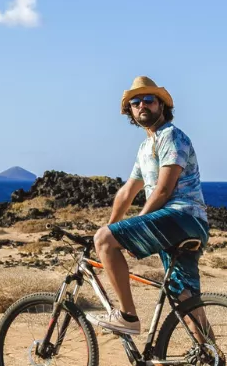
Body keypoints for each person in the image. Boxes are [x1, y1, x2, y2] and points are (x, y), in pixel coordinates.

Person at [87, 76, 210, 336]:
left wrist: (133, 225)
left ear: (161, 106)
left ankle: (128, 317)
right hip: (177, 225)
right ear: (130, 112)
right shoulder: (145, 147)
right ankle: (211, 363)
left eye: (149, 100)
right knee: (184, 299)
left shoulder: (172, 137)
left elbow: (164, 190)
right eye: (135, 102)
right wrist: (113, 224)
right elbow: (127, 192)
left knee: (105, 241)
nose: (142, 105)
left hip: (182, 217)